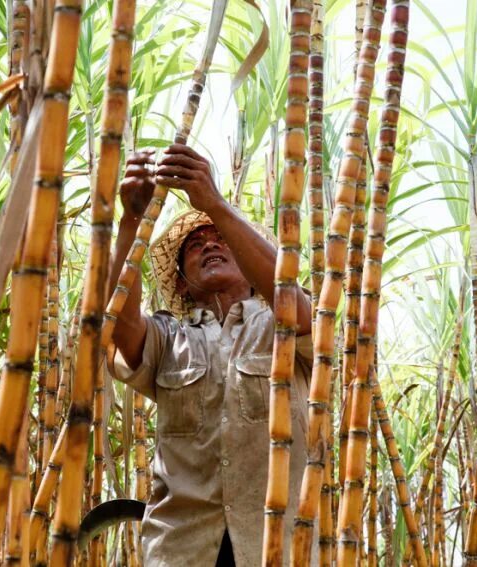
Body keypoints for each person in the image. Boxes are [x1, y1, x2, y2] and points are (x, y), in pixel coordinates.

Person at [107, 143, 315, 566]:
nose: (210, 245)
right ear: (182, 283)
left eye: (221, 239)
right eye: (195, 245)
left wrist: (215, 205)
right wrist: (131, 218)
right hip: (182, 549)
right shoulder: (170, 338)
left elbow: (304, 311)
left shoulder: (282, 326)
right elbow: (118, 326)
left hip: (275, 546)